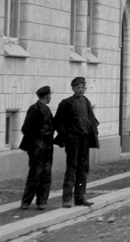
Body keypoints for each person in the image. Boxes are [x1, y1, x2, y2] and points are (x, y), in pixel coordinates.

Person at [54, 76, 99, 208]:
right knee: (72, 168)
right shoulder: (66, 103)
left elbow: (91, 119)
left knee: (83, 168)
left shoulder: (86, 101)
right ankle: (67, 199)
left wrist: (94, 130)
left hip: (84, 139)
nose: (80, 90)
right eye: (77, 87)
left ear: (85, 88)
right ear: (72, 88)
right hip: (73, 140)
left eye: (82, 87)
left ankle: (80, 198)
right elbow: (58, 122)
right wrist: (67, 136)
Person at [18, 85, 54, 210]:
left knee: (46, 174)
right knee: (35, 174)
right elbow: (26, 128)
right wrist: (36, 143)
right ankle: (26, 202)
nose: (50, 97)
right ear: (47, 96)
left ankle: (42, 202)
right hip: (38, 146)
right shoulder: (34, 109)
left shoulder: (47, 109)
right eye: (50, 95)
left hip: (48, 145)